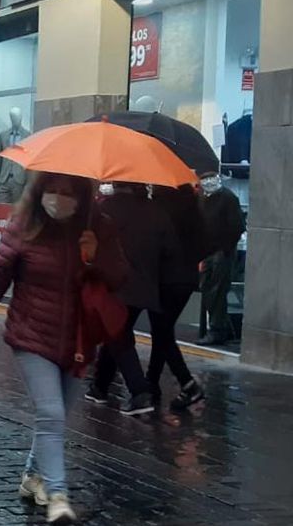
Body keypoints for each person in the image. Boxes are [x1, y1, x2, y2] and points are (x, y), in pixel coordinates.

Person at [0, 172, 126, 526]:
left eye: (67, 192)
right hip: (32, 337)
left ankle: (32, 475)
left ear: (82, 197)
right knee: (51, 413)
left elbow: (120, 277)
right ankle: (58, 496)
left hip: (80, 340)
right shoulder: (23, 226)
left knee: (54, 417)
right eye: (51, 190)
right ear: (39, 192)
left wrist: (94, 256)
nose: (58, 198)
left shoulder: (98, 227)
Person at [85, 183, 166, 416]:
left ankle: (139, 391)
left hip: (117, 287)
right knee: (116, 334)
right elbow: (167, 247)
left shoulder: (104, 210)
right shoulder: (155, 211)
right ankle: (99, 387)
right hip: (145, 288)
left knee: (119, 336)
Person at [148, 185, 208, 410]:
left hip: (165, 279)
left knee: (162, 333)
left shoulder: (160, 209)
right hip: (186, 280)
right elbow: (205, 245)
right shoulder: (194, 211)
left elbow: (156, 245)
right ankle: (151, 383)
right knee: (162, 331)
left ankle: (188, 384)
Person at [197, 172, 244, 346]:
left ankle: (217, 329)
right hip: (206, 252)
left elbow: (237, 226)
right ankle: (224, 327)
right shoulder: (201, 198)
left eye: (212, 178)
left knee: (216, 291)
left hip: (222, 252)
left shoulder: (228, 198)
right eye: (204, 179)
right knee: (208, 288)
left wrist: (225, 249)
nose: (208, 182)